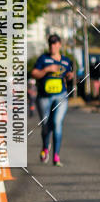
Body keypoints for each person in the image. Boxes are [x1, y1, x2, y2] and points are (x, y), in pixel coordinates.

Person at [32, 34, 74, 166]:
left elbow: (70, 76)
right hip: (44, 97)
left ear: (60, 45)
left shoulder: (66, 61)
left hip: (60, 96)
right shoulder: (43, 59)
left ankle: (56, 155)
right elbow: (34, 73)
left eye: (55, 43)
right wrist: (46, 69)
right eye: (50, 43)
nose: (52, 46)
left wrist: (69, 76)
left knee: (57, 123)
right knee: (45, 124)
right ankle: (45, 146)